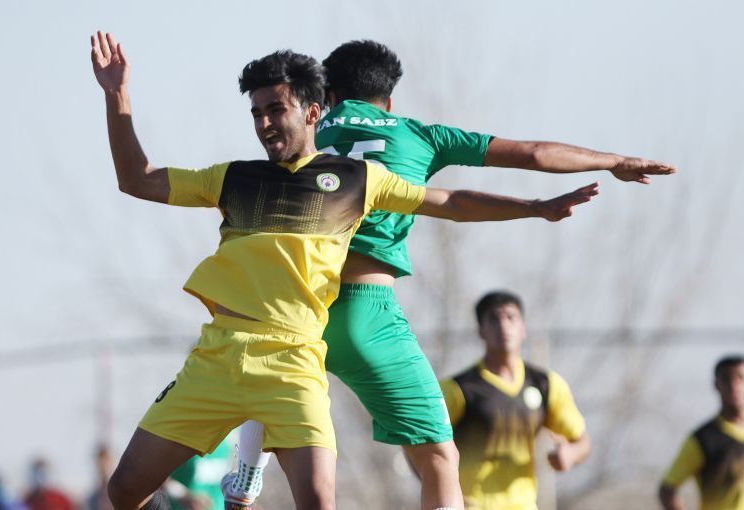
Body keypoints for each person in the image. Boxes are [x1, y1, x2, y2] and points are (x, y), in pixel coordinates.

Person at [90, 31, 597, 510]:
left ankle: (248, 467)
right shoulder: (234, 179)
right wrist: (118, 96)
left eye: (276, 110)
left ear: (314, 111)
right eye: (257, 113)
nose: (264, 123)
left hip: (294, 364)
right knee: (124, 491)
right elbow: (137, 179)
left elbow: (452, 202)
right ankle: (246, 467)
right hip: (219, 357)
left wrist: (535, 207)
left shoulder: (356, 180)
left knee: (318, 502)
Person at [227, 40, 676, 510]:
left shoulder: (305, 127)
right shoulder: (419, 135)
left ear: (326, 97)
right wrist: (613, 163)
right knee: (439, 457)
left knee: (291, 425)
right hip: (364, 313)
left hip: (289, 305)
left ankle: (248, 466)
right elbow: (534, 154)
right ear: (389, 101)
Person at [438, 290, 590, 510]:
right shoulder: (458, 389)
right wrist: (437, 489)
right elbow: (420, 445)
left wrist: (570, 454)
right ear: (480, 331)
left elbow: (583, 442)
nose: (503, 325)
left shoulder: (545, 385)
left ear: (523, 328)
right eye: (493, 318)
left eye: (511, 317)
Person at [658, 356, 744, 510]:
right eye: (726, 379)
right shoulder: (704, 439)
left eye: (741, 378)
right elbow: (667, 490)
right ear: (716, 385)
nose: (734, 385)